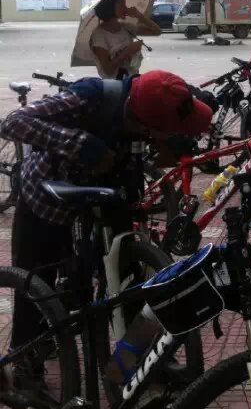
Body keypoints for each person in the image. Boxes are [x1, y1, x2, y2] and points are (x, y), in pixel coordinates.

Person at [0, 70, 212, 357]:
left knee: (129, 279)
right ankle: (27, 358)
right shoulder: (91, 96)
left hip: (104, 195)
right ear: (145, 123)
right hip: (46, 198)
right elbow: (14, 122)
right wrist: (81, 145)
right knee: (36, 284)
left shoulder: (149, 111)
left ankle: (142, 358)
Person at [90, 0, 161, 79]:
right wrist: (127, 51)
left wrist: (139, 16)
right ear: (110, 6)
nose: (126, 7)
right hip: (113, 85)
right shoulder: (99, 35)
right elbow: (107, 70)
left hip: (131, 80)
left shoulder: (126, 27)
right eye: (122, 3)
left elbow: (156, 31)